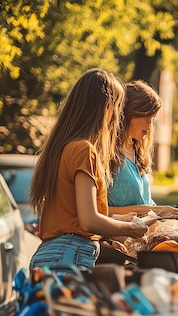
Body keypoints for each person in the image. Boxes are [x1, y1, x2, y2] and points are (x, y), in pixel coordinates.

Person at [28, 68, 153, 272]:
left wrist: (120, 219)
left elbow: (75, 215)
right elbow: (89, 221)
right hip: (68, 256)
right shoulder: (84, 150)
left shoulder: (65, 146)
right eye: (117, 108)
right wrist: (132, 228)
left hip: (55, 255)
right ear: (105, 109)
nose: (117, 119)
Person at [107, 80, 177, 217]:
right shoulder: (108, 153)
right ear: (130, 114)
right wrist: (153, 211)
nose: (150, 125)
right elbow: (100, 210)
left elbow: (146, 202)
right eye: (147, 118)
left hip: (145, 232)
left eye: (153, 119)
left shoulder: (138, 151)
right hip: (119, 235)